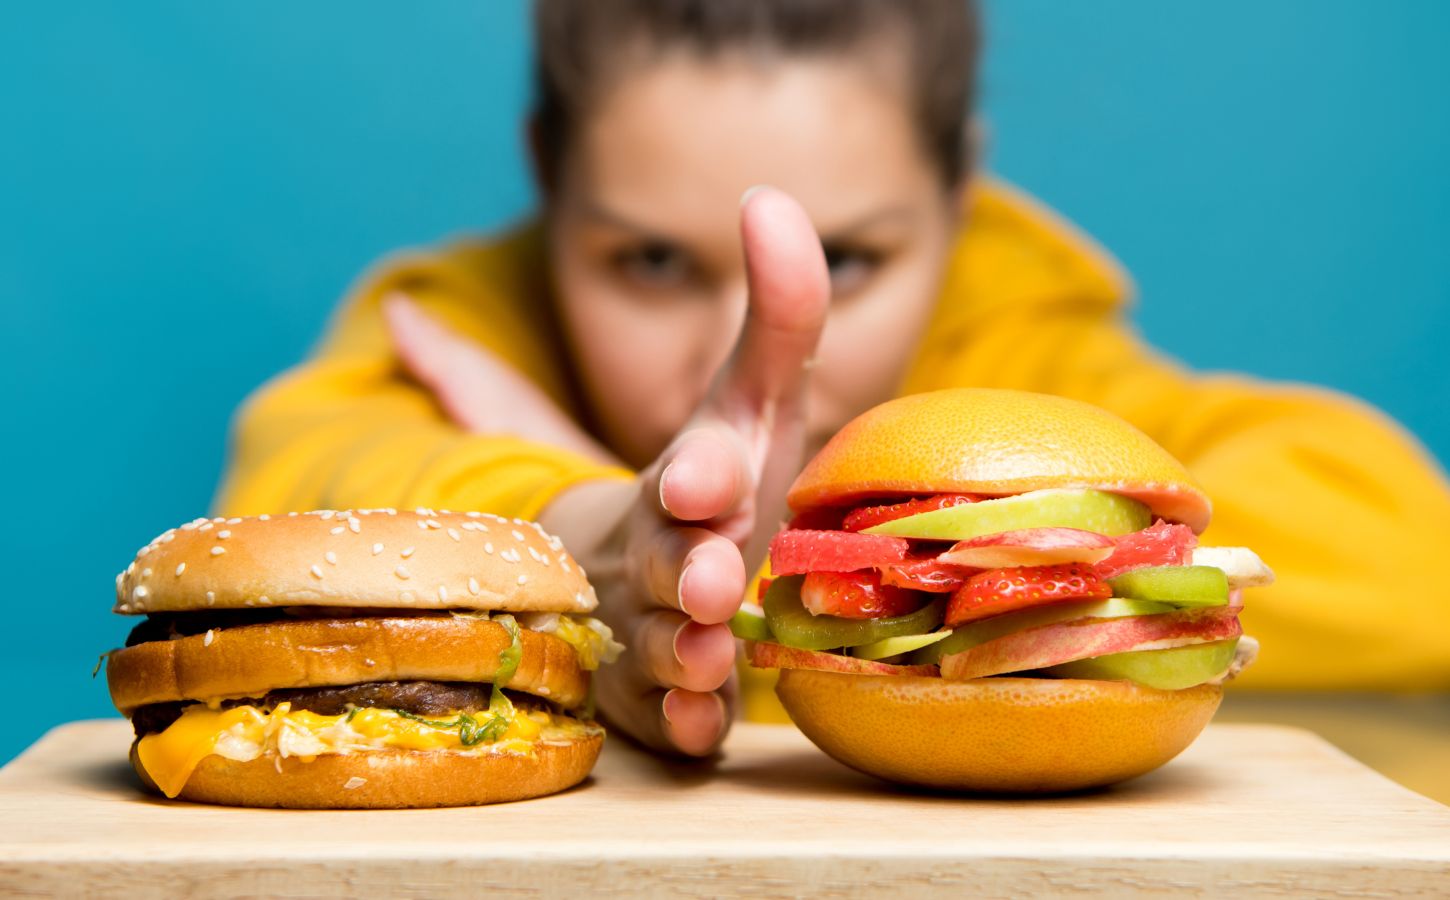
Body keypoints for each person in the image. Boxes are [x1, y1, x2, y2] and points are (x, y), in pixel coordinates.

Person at [215, 0, 1450, 757]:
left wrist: (866, 577)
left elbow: (1408, 555)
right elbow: (287, 490)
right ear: (546, 179)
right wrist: (583, 534)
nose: (744, 344)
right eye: (647, 260)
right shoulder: (462, 329)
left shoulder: (1015, 341)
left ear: (960, 194)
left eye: (846, 259)